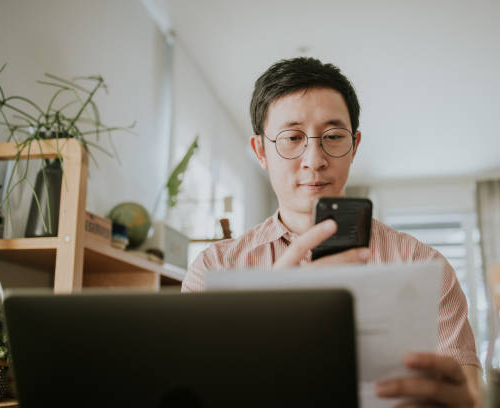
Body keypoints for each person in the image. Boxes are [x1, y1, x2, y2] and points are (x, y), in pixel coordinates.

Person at [182, 57, 481, 407]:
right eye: (292, 137)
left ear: (353, 146)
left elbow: (468, 396)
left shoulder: (425, 266)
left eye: (333, 136)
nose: (314, 158)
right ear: (261, 151)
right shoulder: (213, 271)